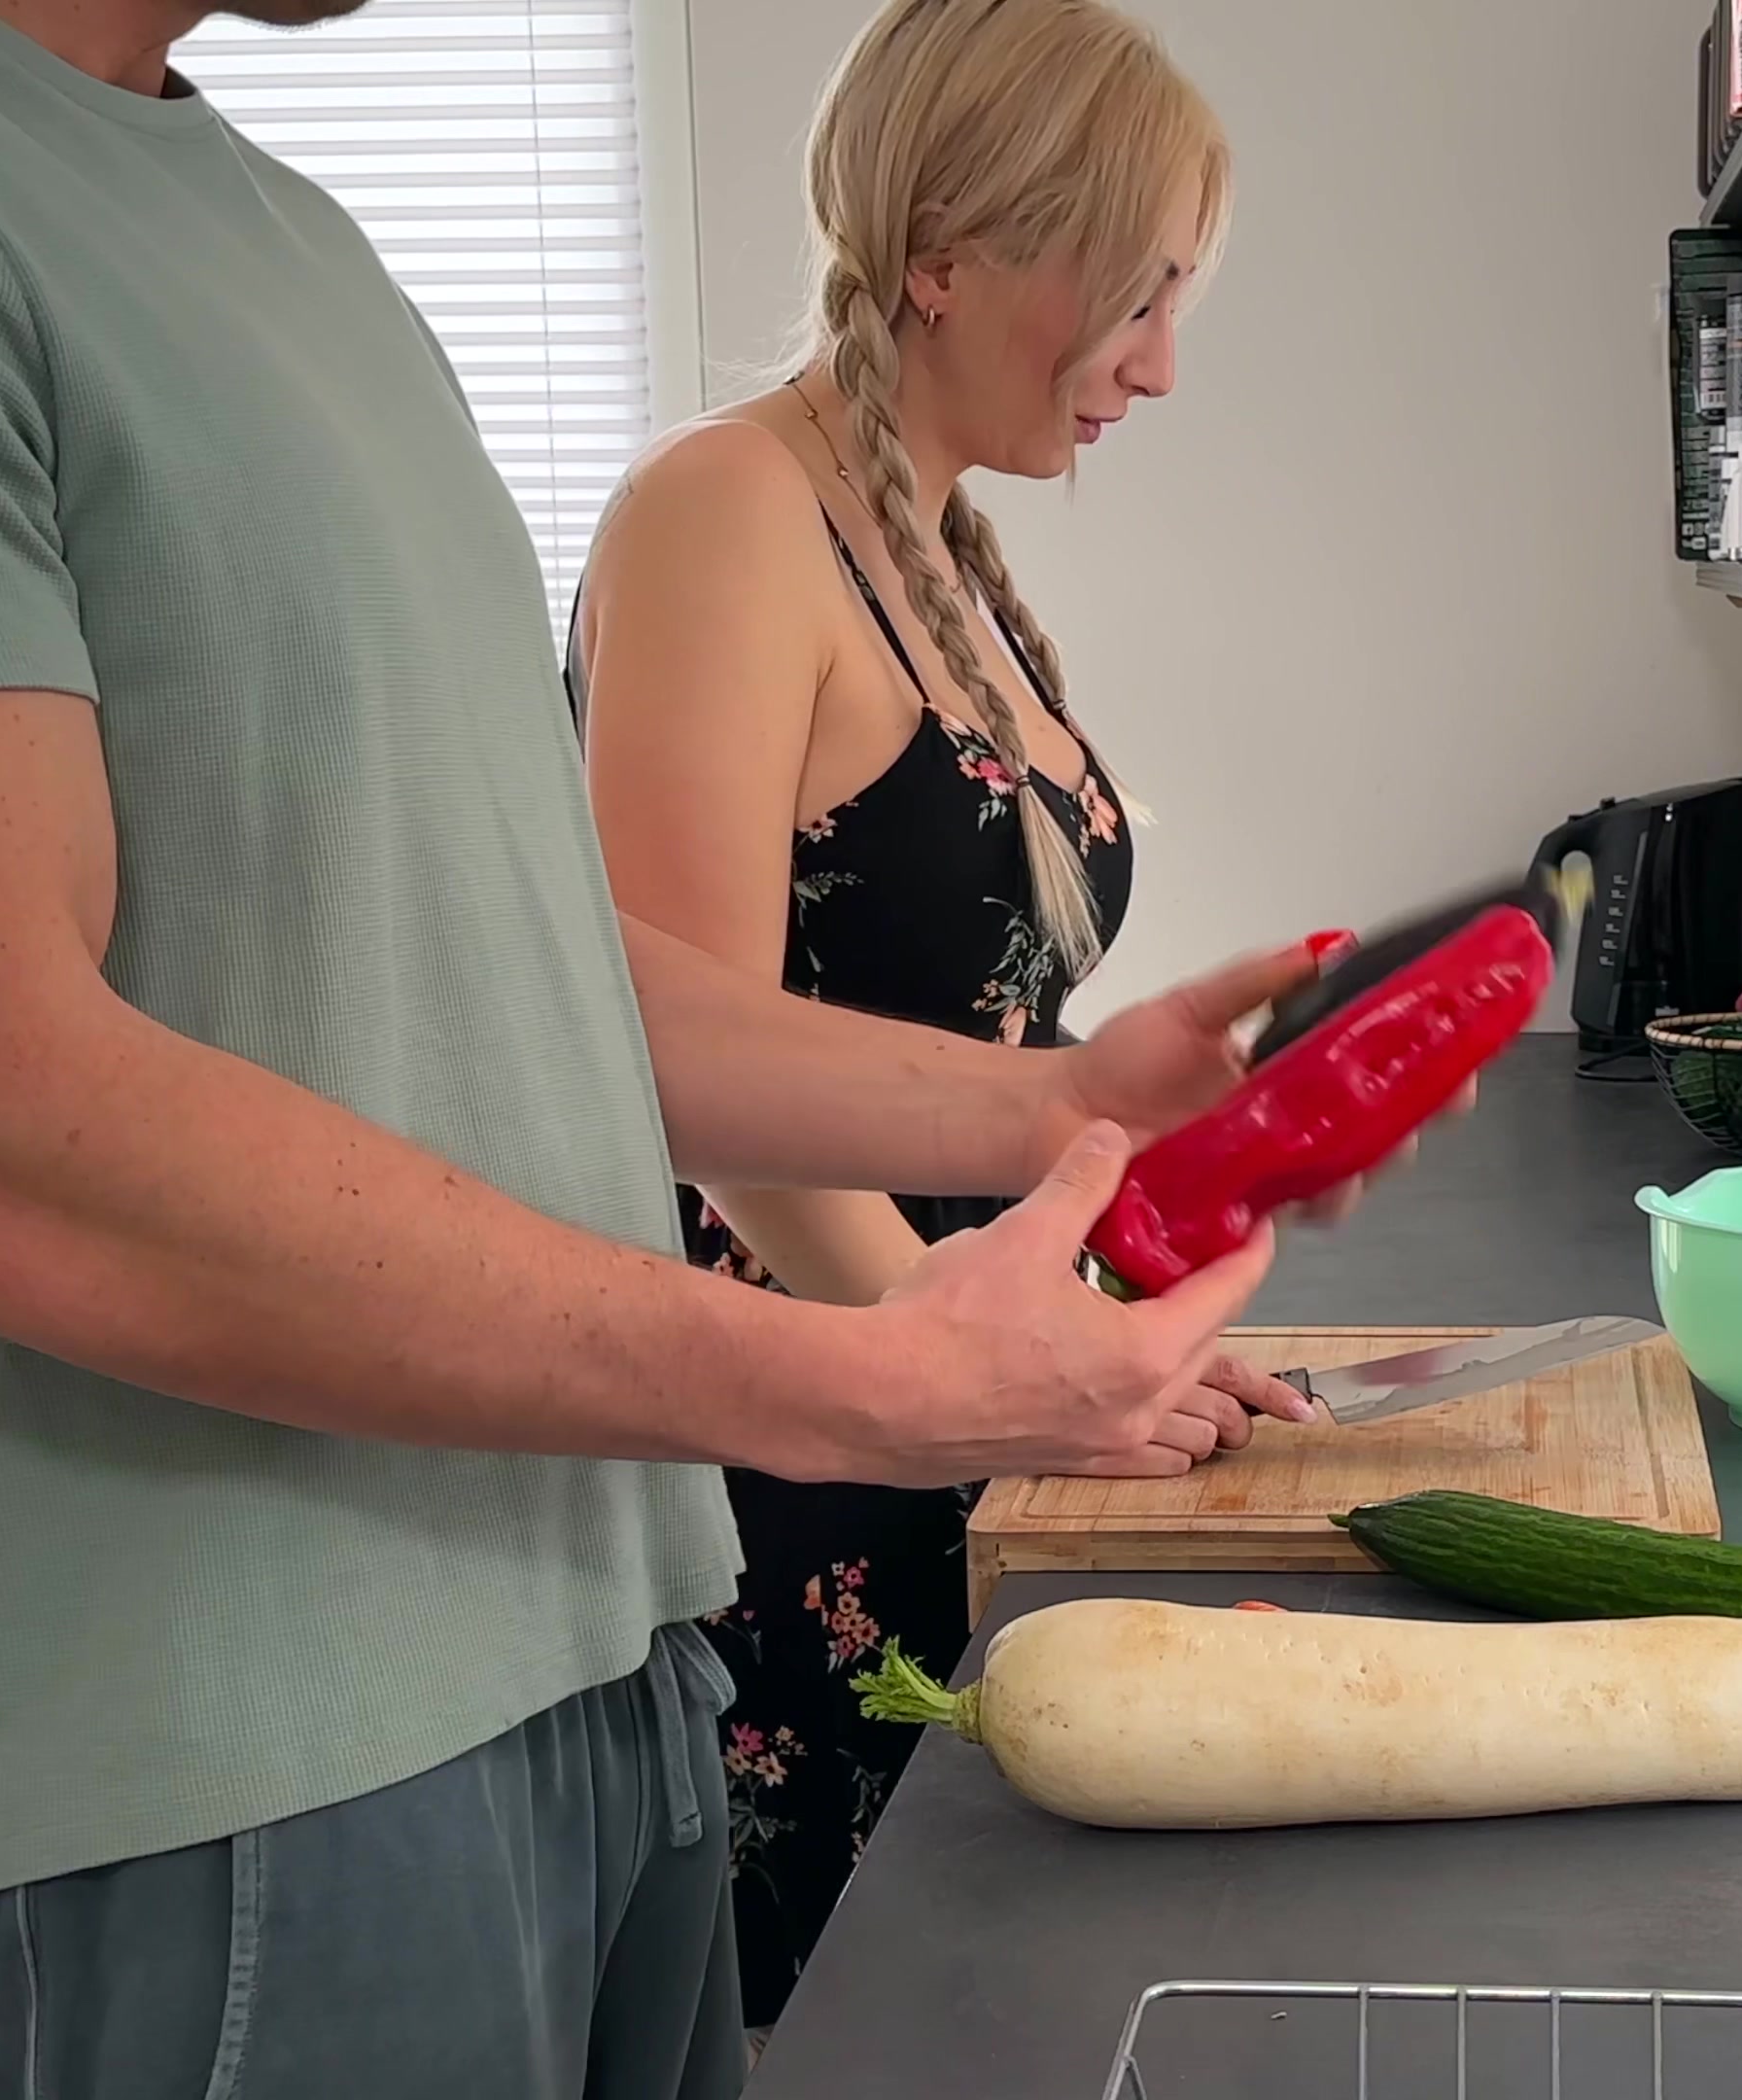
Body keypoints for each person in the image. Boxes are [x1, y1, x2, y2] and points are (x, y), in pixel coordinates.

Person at [0, 0, 1434, 2091]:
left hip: (593, 1664)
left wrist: (1054, 1106)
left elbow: (515, 959)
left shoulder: (270, 230)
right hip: (201, 1794)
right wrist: (857, 1379)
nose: (1162, 359)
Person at [572, 0, 1273, 2028]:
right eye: (1138, 294)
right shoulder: (722, 514)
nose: (1160, 361)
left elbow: (972, 1040)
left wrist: (1101, 1334)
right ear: (948, 252)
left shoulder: (932, 545)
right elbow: (699, 1086)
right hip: (803, 1448)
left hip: (948, 1405)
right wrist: (959, 1379)